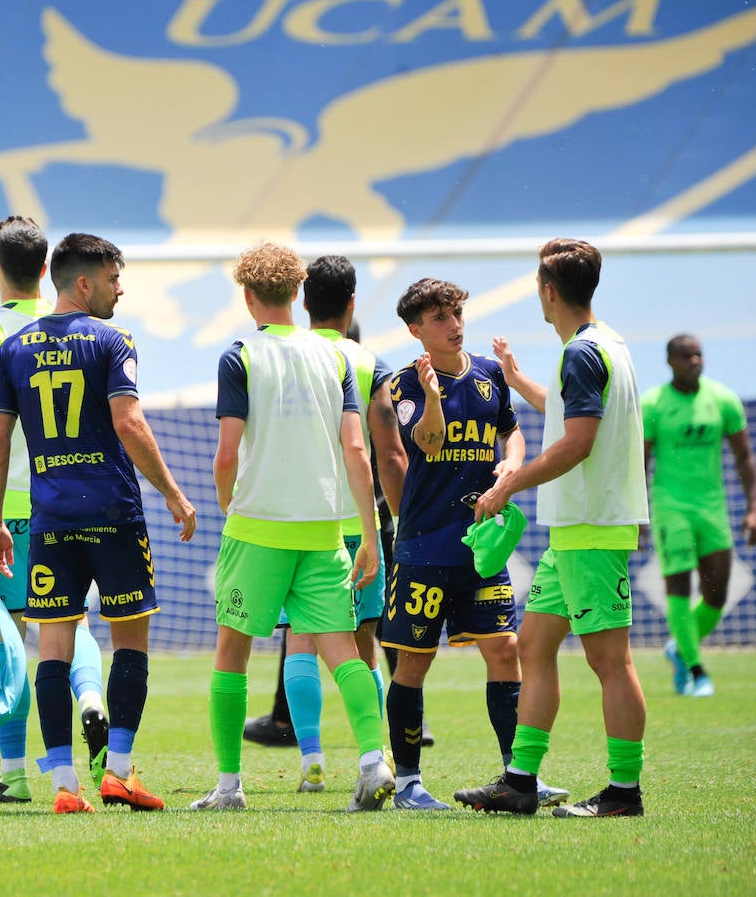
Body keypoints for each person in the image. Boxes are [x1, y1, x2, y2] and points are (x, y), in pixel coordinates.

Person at [0, 232, 196, 814]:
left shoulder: (13, 349)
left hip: (49, 518)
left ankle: (63, 786)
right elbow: (129, 423)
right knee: (129, 639)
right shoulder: (112, 341)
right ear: (83, 283)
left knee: (51, 649)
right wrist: (175, 495)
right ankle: (120, 773)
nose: (119, 289)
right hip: (113, 513)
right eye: (112, 278)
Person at [189, 243, 391, 812]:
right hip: (326, 530)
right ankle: (374, 763)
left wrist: (229, 505)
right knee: (346, 653)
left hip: (257, 527)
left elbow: (226, 454)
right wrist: (370, 536)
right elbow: (358, 451)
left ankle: (229, 786)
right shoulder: (338, 358)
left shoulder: (240, 355)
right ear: (297, 294)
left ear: (248, 296)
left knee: (231, 654)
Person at [455, 238, 649, 818]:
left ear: (548, 290)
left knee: (610, 662)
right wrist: (517, 381)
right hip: (573, 532)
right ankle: (520, 781)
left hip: (592, 529)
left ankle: (623, 792)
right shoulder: (604, 344)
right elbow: (571, 415)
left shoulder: (584, 353)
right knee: (533, 646)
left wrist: (510, 482)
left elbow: (578, 443)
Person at [0, 217, 109, 803]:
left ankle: (13, 775)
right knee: (69, 623)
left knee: (0, 637)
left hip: (0, 511)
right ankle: (91, 699)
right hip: (66, 501)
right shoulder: (78, 327)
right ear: (45, 272)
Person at [381, 277, 567, 811]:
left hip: (480, 550)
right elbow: (430, 442)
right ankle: (410, 783)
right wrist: (435, 400)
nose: (454, 325)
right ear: (416, 330)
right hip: (424, 545)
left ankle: (519, 775)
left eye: (457, 313)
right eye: (439, 318)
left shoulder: (488, 373)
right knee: (413, 663)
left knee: (505, 650)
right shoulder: (406, 383)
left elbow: (512, 429)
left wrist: (511, 462)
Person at [274, 255, 407, 793]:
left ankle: (310, 758)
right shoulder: (369, 362)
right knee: (363, 642)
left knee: (301, 638)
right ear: (353, 303)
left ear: (304, 302)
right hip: (360, 521)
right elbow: (390, 453)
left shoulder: (279, 356)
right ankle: (373, 759)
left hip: (300, 518)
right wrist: (401, 521)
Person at [641, 334, 756, 696]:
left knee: (716, 595)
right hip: (670, 506)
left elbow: (745, 457)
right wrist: (640, 515)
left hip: (712, 507)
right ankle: (696, 671)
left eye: (698, 354)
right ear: (670, 362)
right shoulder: (653, 404)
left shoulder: (723, 399)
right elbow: (641, 463)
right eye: (685, 356)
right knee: (678, 586)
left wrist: (755, 507)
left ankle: (680, 646)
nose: (695, 361)